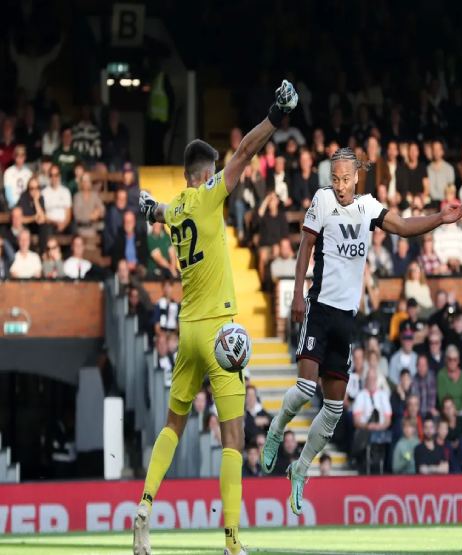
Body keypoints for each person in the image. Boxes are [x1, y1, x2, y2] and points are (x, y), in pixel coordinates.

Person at [133, 79, 298, 555]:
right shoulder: (207, 197)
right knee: (233, 435)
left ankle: (144, 505)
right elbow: (245, 151)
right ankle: (230, 541)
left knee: (173, 423)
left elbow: (160, 210)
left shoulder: (179, 205)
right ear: (205, 176)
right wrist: (274, 113)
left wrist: (150, 209)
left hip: (187, 330)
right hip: (221, 330)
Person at [261, 145, 462, 514]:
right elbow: (306, 245)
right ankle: (277, 428)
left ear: (356, 177)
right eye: (334, 179)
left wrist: (440, 218)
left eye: (344, 179)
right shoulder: (322, 201)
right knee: (307, 387)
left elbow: (403, 227)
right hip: (320, 308)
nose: (339, 185)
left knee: (335, 408)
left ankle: (301, 468)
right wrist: (297, 296)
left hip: (346, 318)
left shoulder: (368, 207)